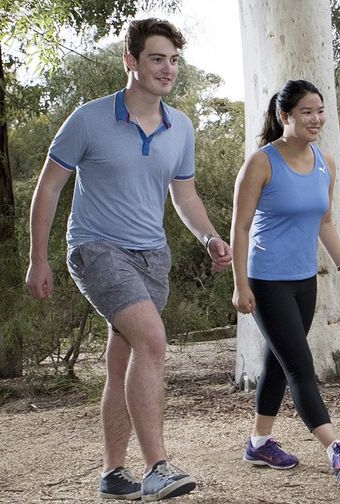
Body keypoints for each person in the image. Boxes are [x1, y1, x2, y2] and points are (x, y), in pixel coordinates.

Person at [26, 18, 232, 502]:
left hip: (152, 256)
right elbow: (49, 187)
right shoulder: (88, 119)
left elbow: (184, 195)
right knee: (154, 341)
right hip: (96, 248)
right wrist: (39, 259)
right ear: (131, 61)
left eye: (174, 60)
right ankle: (157, 467)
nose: (168, 69)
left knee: (123, 361)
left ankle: (113, 474)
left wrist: (209, 237)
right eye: (157, 58)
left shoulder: (179, 126)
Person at [229, 79, 340, 484]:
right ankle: (335, 447)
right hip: (267, 281)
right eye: (306, 112)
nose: (316, 119)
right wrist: (241, 284)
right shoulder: (262, 162)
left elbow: (324, 221)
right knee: (300, 367)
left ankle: (258, 444)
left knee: (277, 362)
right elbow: (240, 229)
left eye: (320, 110)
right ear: (284, 116)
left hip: (304, 281)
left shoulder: (326, 162)